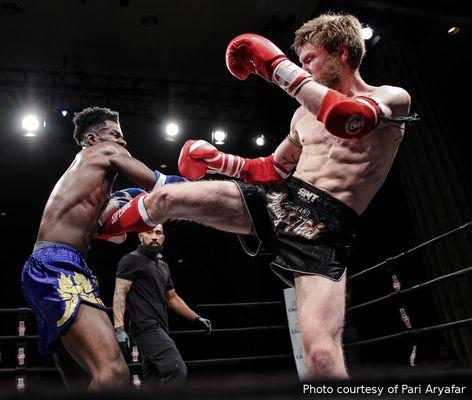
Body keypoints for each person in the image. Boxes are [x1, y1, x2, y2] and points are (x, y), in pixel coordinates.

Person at [97, 13, 413, 379]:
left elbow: (347, 117)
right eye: (299, 62)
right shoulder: (301, 117)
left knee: (322, 357)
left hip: (327, 229)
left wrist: (273, 66)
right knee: (168, 200)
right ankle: (101, 226)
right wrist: (216, 160)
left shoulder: (391, 98)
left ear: (341, 52)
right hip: (284, 200)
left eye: (310, 59)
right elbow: (271, 169)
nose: (304, 68)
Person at [21, 107, 185, 389]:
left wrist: (120, 204)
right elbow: (162, 186)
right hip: (58, 267)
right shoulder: (104, 152)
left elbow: (114, 236)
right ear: (93, 138)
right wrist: (220, 185)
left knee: (84, 378)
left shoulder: (84, 176)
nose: (121, 142)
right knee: (114, 375)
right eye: (114, 134)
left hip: (53, 266)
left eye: (122, 137)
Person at [113, 224, 211, 387]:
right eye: (149, 232)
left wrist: (196, 318)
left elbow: (172, 298)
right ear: (140, 236)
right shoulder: (131, 259)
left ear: (163, 238)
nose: (154, 236)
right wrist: (119, 329)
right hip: (145, 328)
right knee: (177, 370)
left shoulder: (163, 266)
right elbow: (119, 293)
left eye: (158, 233)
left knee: (152, 381)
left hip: (160, 328)